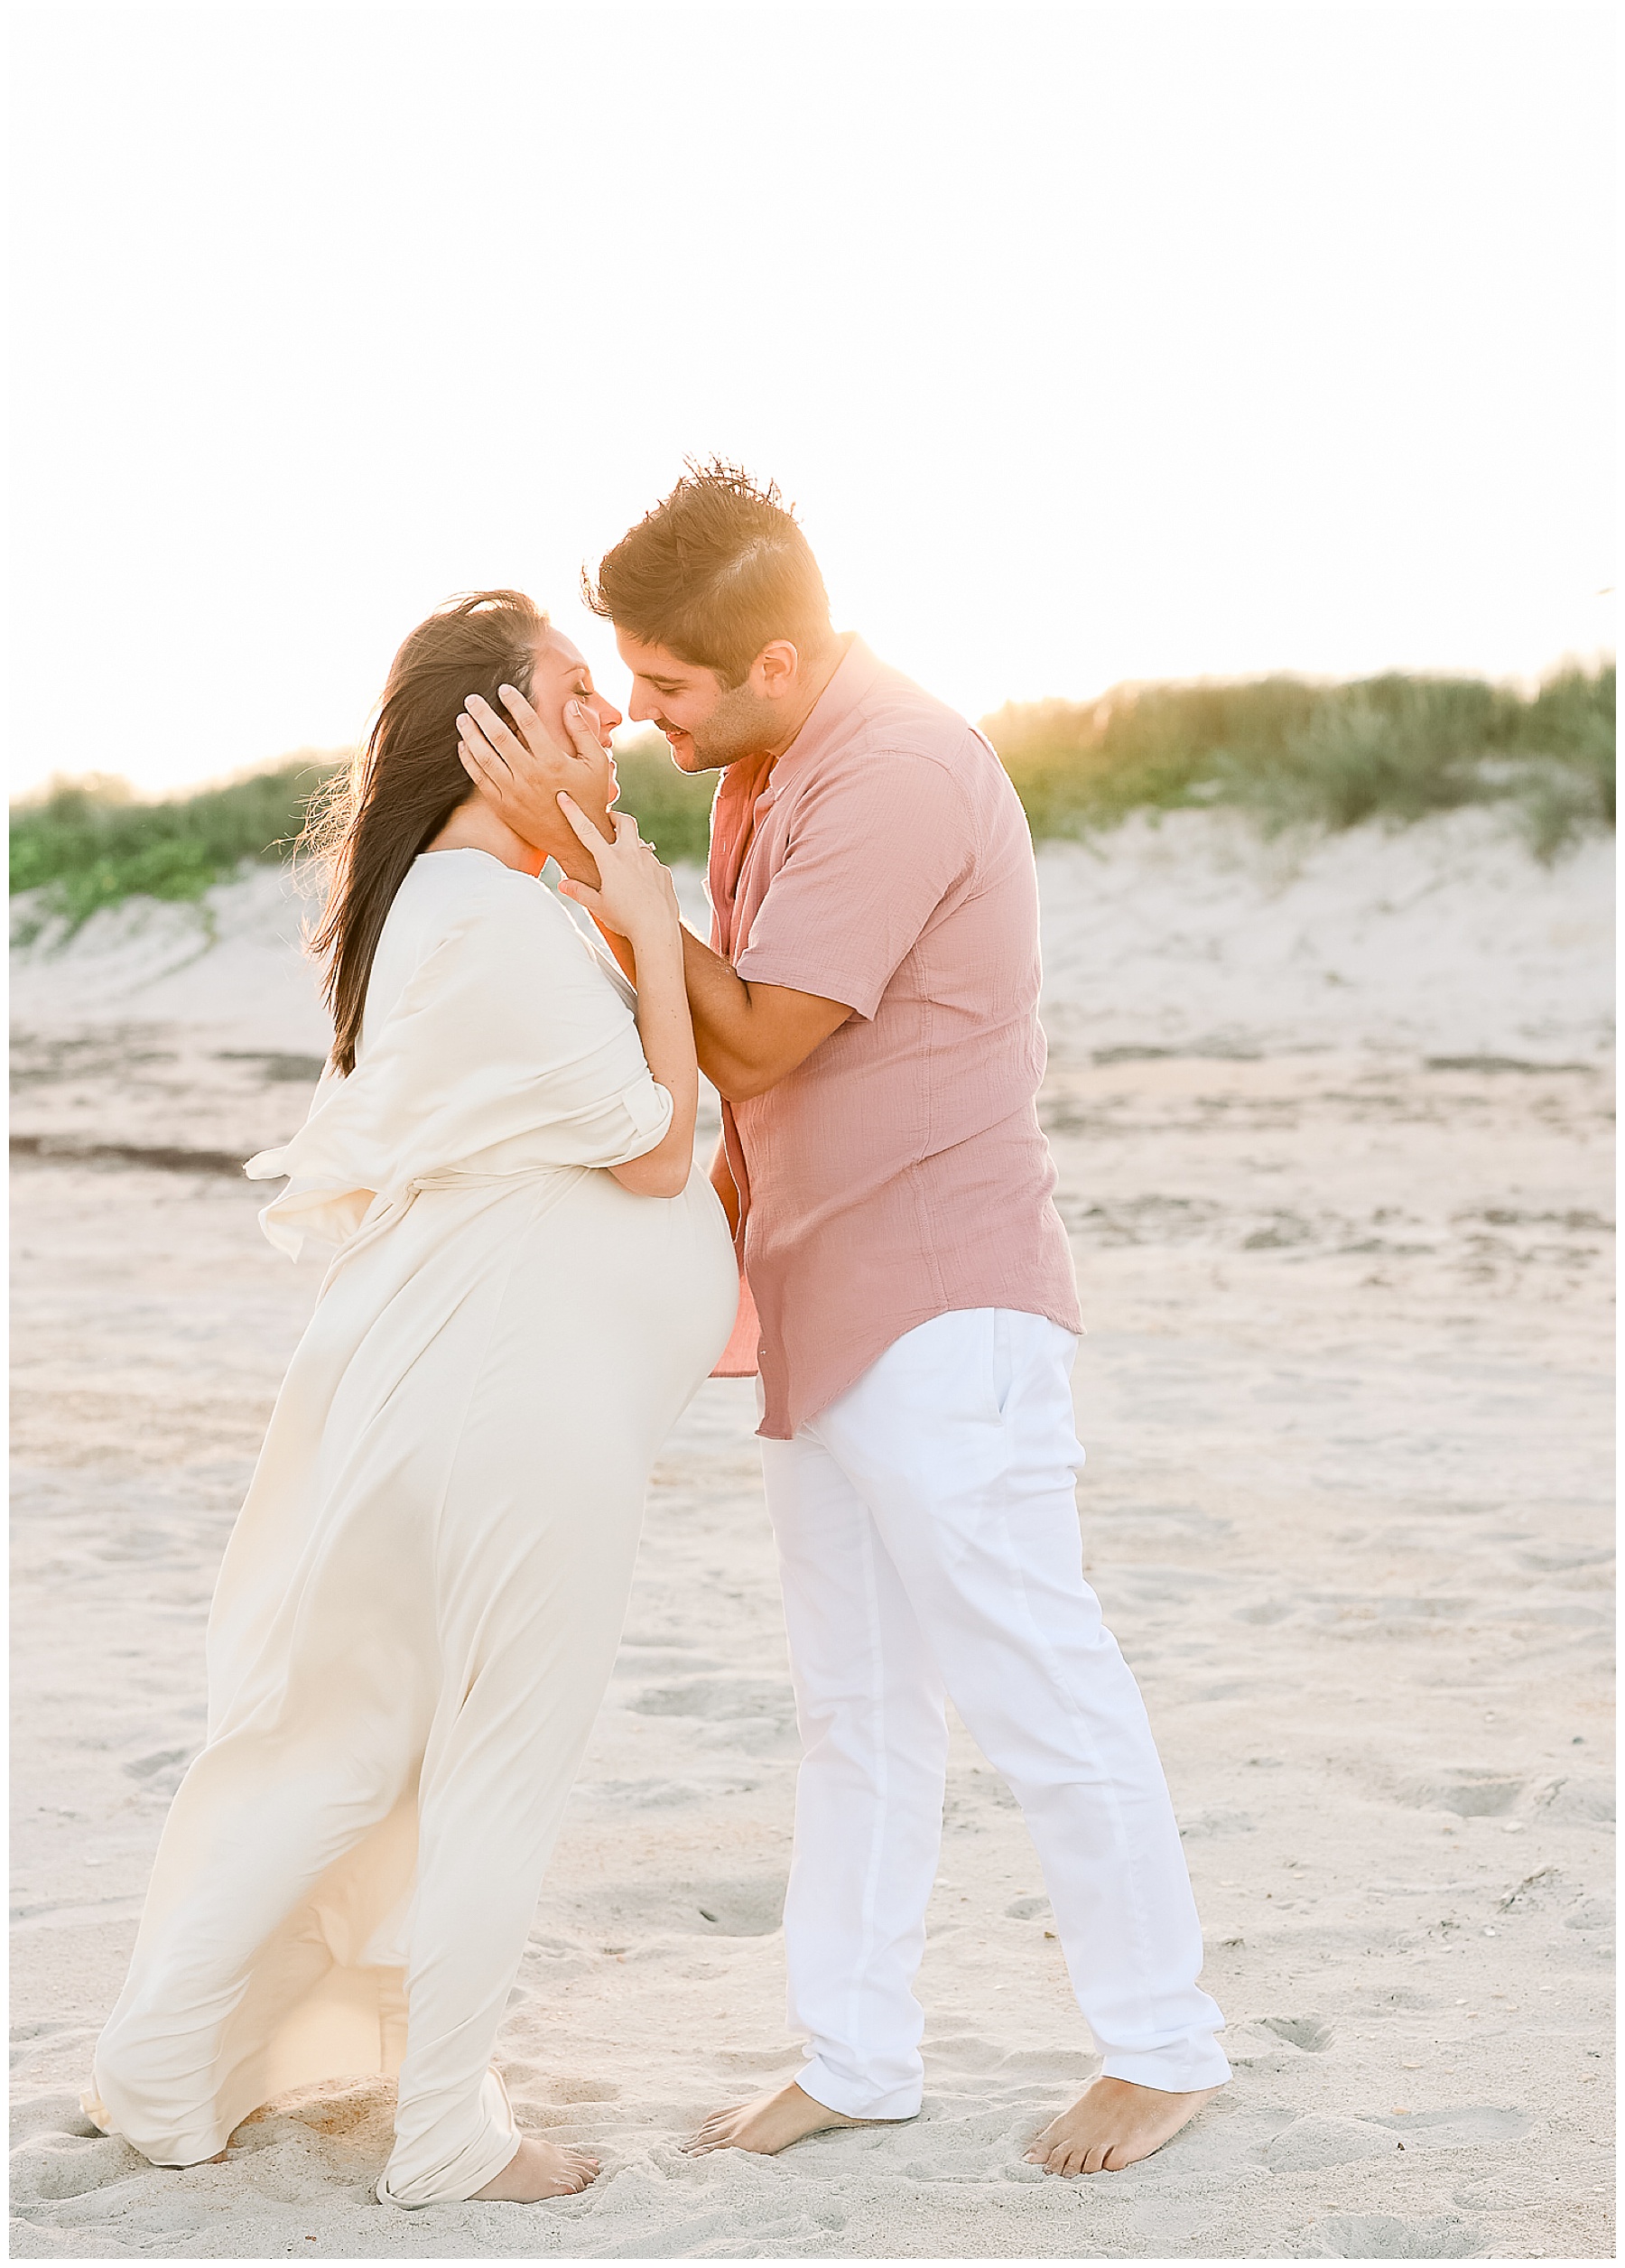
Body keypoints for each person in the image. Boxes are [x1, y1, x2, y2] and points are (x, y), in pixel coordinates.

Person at [456, 465, 1231, 2180]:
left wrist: (599, 853)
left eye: (665, 686)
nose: (639, 715)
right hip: (827, 1297)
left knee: (1037, 1675)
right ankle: (858, 2055)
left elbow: (754, 1041)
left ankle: (1165, 2044)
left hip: (946, 1303)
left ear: (778, 664)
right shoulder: (781, 756)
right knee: (854, 1709)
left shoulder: (891, 767)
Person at [81, 590, 738, 2208]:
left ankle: (161, 2071)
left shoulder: (466, 912)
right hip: (510, 1406)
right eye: (574, 694)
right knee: (495, 1757)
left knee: (349, 1748)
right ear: (489, 734)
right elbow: (659, 1145)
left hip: (460, 1389)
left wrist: (601, 905)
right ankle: (448, 2134)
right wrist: (651, 927)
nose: (616, 721)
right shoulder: (499, 923)